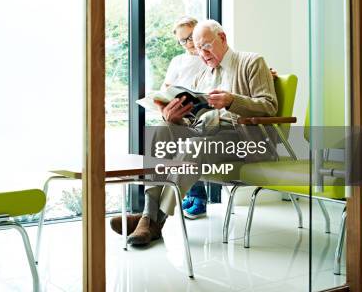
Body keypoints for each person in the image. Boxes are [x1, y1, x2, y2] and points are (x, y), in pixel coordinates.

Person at [110, 19, 278, 246]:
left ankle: (152, 222)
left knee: (193, 146)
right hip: (207, 133)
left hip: (242, 140)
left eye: (206, 46)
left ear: (223, 39)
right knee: (162, 130)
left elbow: (269, 106)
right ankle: (148, 215)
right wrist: (174, 116)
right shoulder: (203, 75)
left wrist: (232, 100)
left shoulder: (251, 62)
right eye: (198, 48)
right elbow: (196, 117)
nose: (202, 53)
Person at [160, 16, 209, 220]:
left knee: (186, 139)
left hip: (204, 112)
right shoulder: (177, 61)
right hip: (182, 111)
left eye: (191, 37)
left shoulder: (210, 56)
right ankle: (188, 193)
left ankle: (195, 195)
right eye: (183, 40)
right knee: (165, 129)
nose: (189, 43)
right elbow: (166, 86)